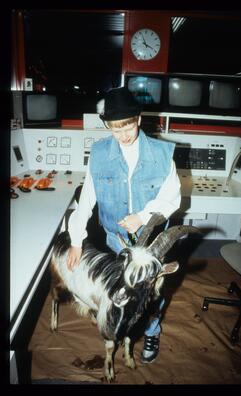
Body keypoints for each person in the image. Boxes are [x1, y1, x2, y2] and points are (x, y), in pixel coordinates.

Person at [67, 86, 181, 363]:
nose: (123, 135)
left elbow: (173, 198)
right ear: (107, 126)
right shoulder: (100, 153)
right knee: (119, 290)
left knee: (149, 294)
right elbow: (87, 199)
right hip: (114, 240)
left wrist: (143, 216)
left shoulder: (162, 154)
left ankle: (151, 330)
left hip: (152, 245)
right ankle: (118, 326)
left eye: (127, 126)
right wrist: (75, 239)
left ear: (138, 119)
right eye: (115, 129)